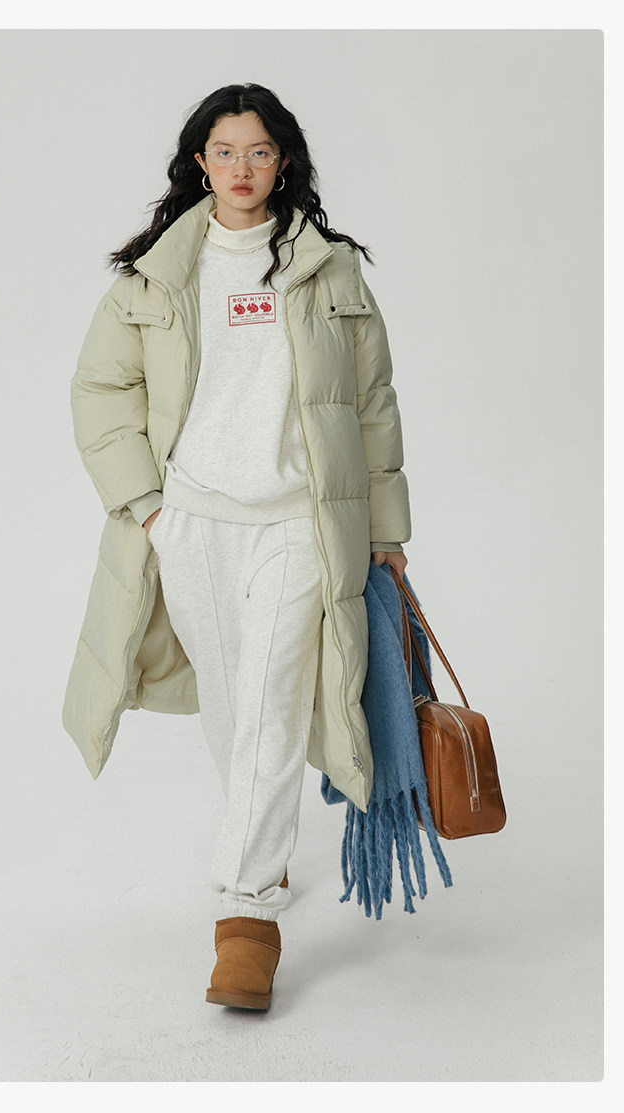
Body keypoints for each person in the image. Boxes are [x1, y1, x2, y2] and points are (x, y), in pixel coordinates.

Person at [63, 82, 411, 1011]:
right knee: (231, 704)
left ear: (283, 160)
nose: (242, 168)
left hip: (299, 522)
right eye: (224, 152)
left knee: (268, 699)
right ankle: (262, 849)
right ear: (200, 163)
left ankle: (247, 918)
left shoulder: (330, 270)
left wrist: (385, 528)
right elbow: (101, 390)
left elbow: (372, 402)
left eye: (259, 151)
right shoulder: (154, 276)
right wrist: (148, 507)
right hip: (191, 525)